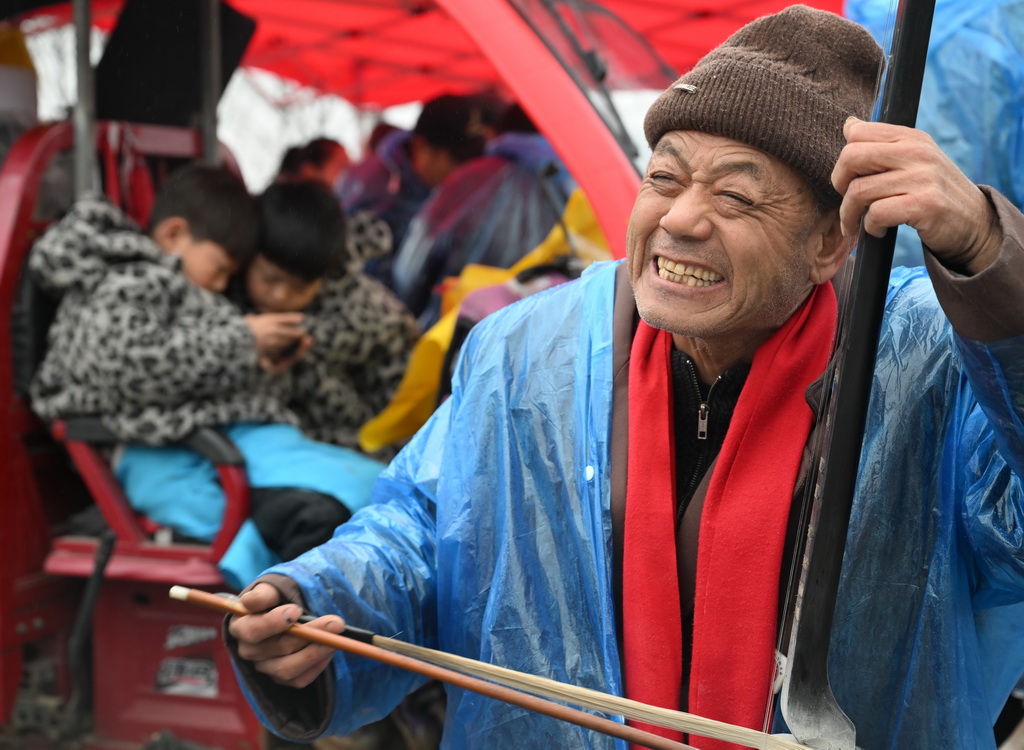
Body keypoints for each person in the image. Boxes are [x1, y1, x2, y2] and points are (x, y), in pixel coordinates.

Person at [226, 6, 1024, 749]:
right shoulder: (527, 353)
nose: (680, 219)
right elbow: (426, 528)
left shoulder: (929, 357)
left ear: (829, 244)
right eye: (665, 178)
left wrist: (992, 259)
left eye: (737, 196)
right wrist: (323, 598)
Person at [29, 164, 384, 588]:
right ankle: (278, 591)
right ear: (175, 235)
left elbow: (203, 370)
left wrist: (267, 363)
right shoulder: (127, 282)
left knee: (371, 486)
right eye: (219, 269)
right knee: (321, 509)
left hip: (221, 434)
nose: (219, 286)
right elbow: (129, 366)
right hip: (157, 445)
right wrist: (243, 341)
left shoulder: (183, 287)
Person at [236, 179, 419, 461]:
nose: (279, 297)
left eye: (298, 288)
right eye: (269, 279)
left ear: (324, 279)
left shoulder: (365, 318)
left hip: (380, 450)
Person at [391, 102, 577, 327]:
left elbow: (409, 275)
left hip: (463, 337)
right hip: (548, 334)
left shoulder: (465, 184)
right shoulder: (573, 182)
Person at [335, 93, 488, 285]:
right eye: (456, 161)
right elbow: (352, 268)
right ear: (421, 147)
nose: (463, 173)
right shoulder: (374, 188)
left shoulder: (429, 186)